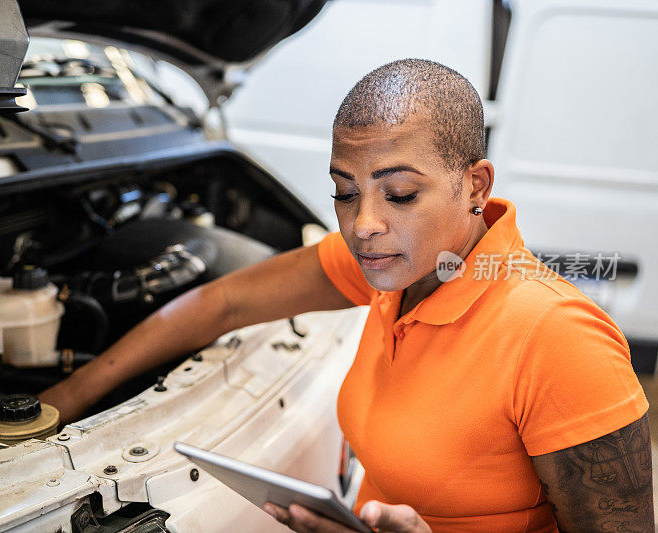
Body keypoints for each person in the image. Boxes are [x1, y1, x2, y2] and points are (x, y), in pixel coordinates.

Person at [39, 59, 653, 532]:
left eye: (401, 194)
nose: (364, 225)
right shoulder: (399, 266)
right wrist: (62, 401)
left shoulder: (556, 339)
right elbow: (219, 305)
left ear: (475, 184)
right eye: (345, 190)